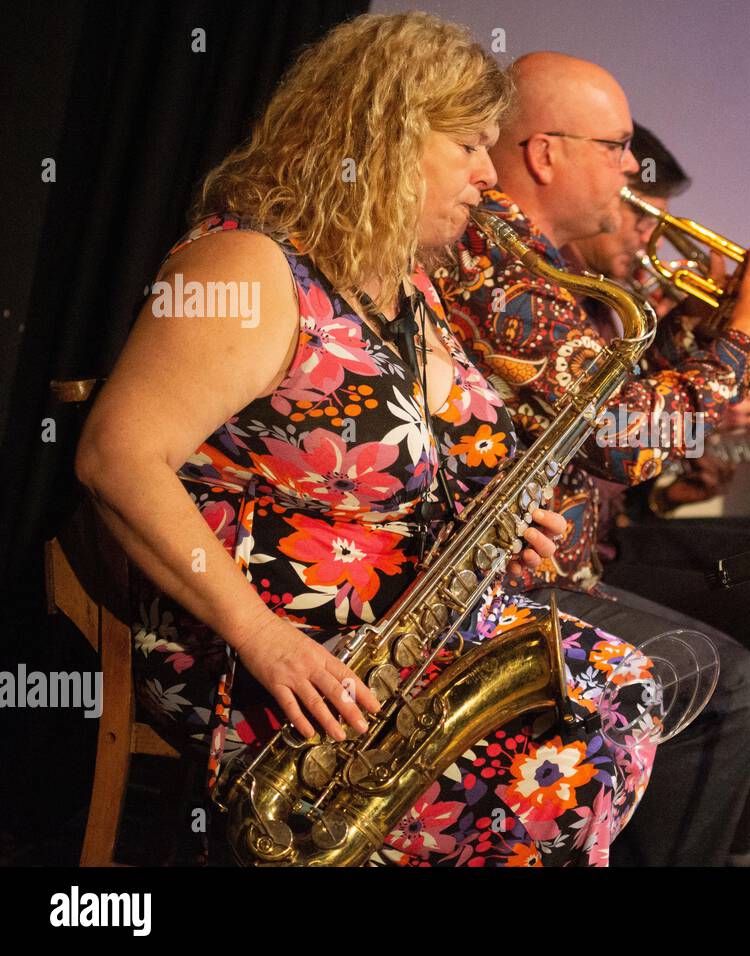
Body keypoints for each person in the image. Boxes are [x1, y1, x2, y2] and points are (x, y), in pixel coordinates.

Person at [75, 12, 656, 867]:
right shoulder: (246, 268)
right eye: (466, 146)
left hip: (398, 633)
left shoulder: (403, 282)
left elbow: (415, 463)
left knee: (621, 692)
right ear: (382, 135)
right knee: (561, 764)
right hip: (266, 654)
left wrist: (493, 527)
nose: (487, 174)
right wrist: (263, 638)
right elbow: (115, 459)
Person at [437, 52, 750, 865]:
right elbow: (629, 444)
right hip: (504, 580)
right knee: (731, 689)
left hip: (551, 561)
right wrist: (748, 335)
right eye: (616, 146)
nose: (633, 169)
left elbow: (621, 419)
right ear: (545, 153)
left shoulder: (541, 264)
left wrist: (707, 330)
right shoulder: (496, 261)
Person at [564, 123, 750, 862]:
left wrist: (676, 484)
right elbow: (611, 443)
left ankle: (731, 794)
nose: (648, 236)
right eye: (639, 212)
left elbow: (620, 464)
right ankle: (709, 821)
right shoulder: (577, 303)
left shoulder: (621, 303)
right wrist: (739, 338)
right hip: (577, 556)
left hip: (603, 532)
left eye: (656, 216)